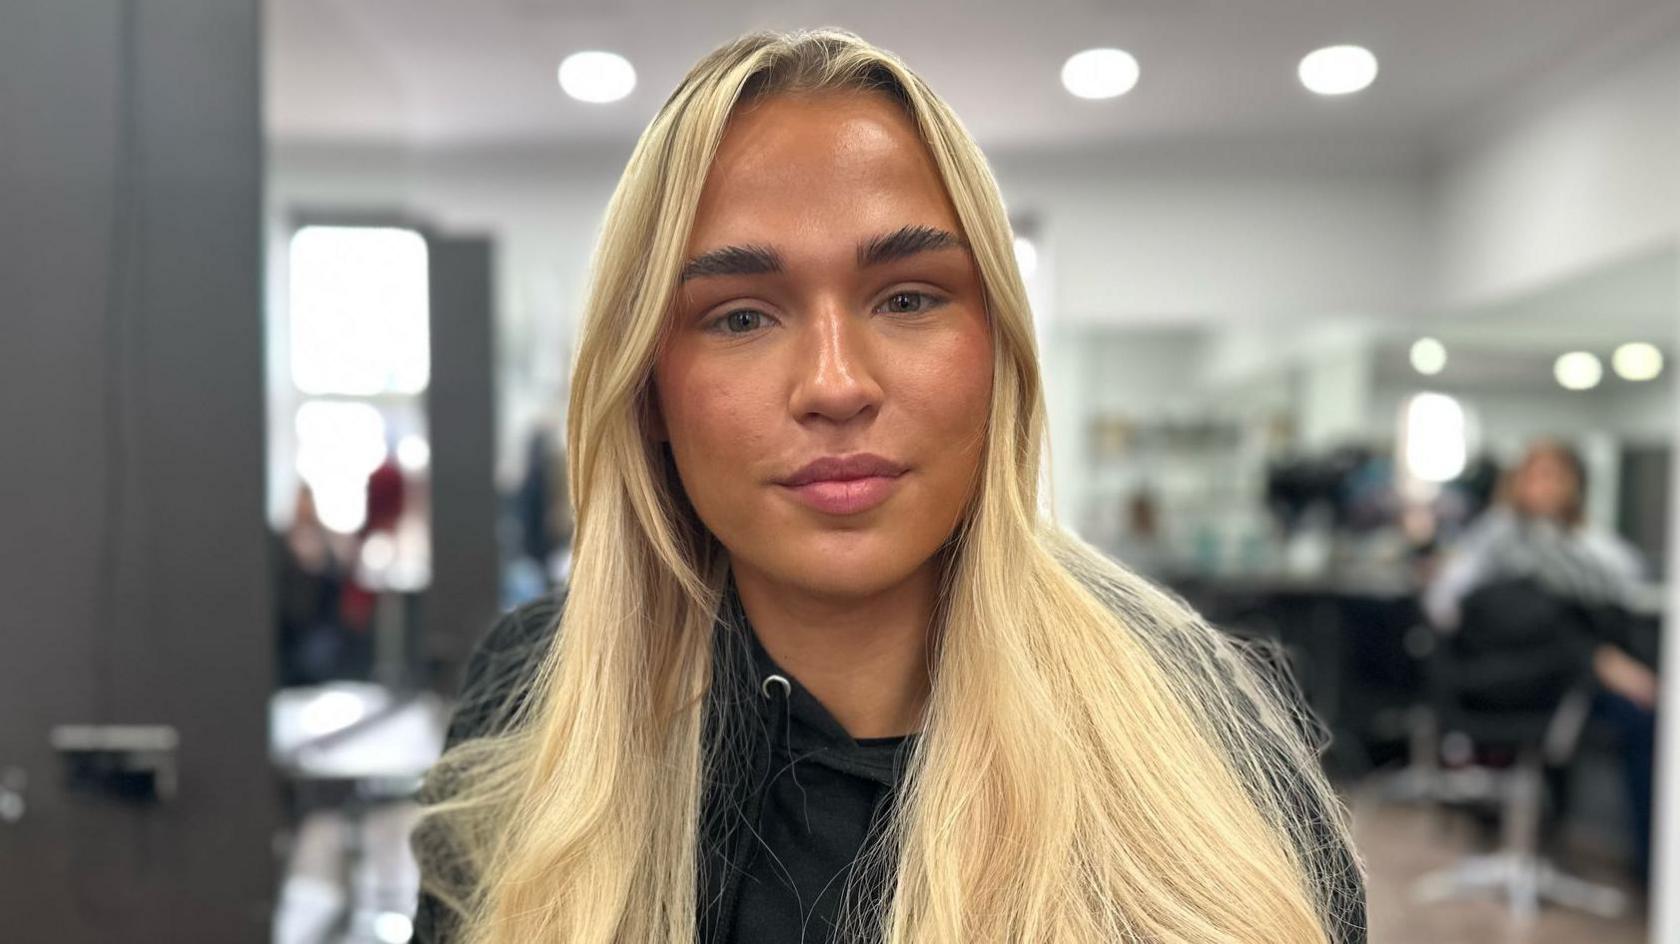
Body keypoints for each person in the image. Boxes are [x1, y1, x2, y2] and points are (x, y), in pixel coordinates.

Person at [412, 30, 1365, 944]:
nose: (835, 385)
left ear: (998, 353)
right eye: (741, 316)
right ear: (648, 388)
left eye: (908, 299)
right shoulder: (536, 698)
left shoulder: (1194, 735)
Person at [1424, 438, 1659, 883]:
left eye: (1557, 475)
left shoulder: (1591, 549)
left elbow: (1629, 579)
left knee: (1648, 718)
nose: (1545, 486)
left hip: (1564, 679)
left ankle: (1652, 867)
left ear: (1577, 485)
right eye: (1536, 474)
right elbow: (1448, 605)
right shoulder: (1496, 542)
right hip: (1507, 685)